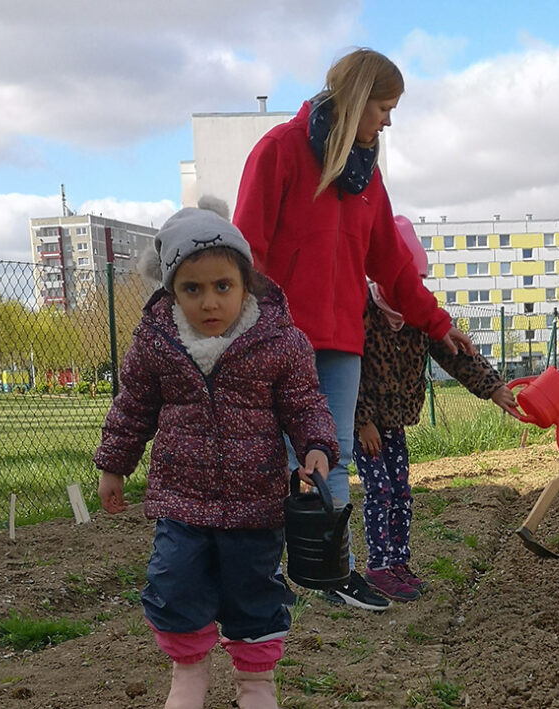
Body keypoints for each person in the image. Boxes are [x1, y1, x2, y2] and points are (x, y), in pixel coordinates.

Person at [233, 48, 473, 612]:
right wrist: (256, 327)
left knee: (331, 453)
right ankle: (260, 575)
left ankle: (329, 573)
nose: (388, 120)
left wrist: (439, 324)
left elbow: (390, 264)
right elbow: (248, 250)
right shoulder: (279, 152)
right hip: (280, 337)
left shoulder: (367, 175)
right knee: (274, 457)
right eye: (383, 107)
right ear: (356, 99)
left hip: (343, 341)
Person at [94, 198, 339, 709]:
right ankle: (188, 675)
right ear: (171, 291)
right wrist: (115, 465)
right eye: (192, 289)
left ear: (246, 283)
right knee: (175, 583)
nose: (209, 302)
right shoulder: (157, 343)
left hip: (254, 505)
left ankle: (256, 684)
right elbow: (133, 406)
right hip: (181, 503)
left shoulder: (279, 341)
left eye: (222, 286)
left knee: (254, 591)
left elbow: (305, 401)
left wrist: (315, 446)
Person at [353, 216, 518, 602]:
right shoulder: (361, 310)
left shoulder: (419, 314)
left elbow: (457, 356)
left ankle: (398, 561)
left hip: (394, 423)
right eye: (408, 281)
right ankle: (378, 566)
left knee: (401, 492)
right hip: (366, 424)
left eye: (420, 281)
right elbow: (347, 366)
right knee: (379, 491)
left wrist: (494, 389)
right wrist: (361, 421)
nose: (416, 289)